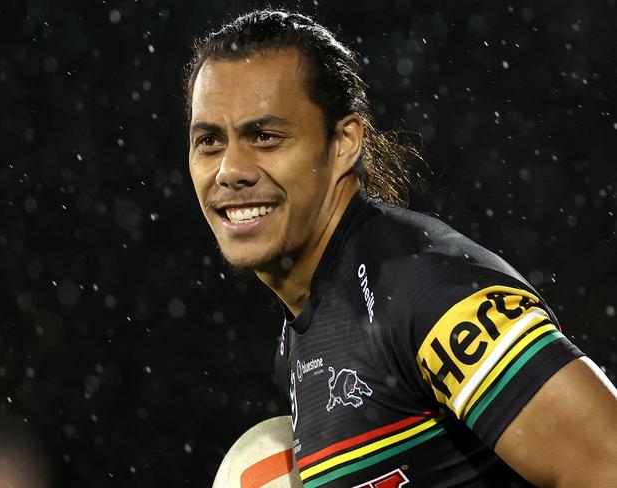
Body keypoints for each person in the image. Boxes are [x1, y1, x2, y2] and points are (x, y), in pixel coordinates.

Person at [185, 9, 617, 487]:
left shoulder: (425, 290)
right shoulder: (303, 333)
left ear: (345, 142)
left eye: (264, 136)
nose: (230, 170)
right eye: (209, 141)